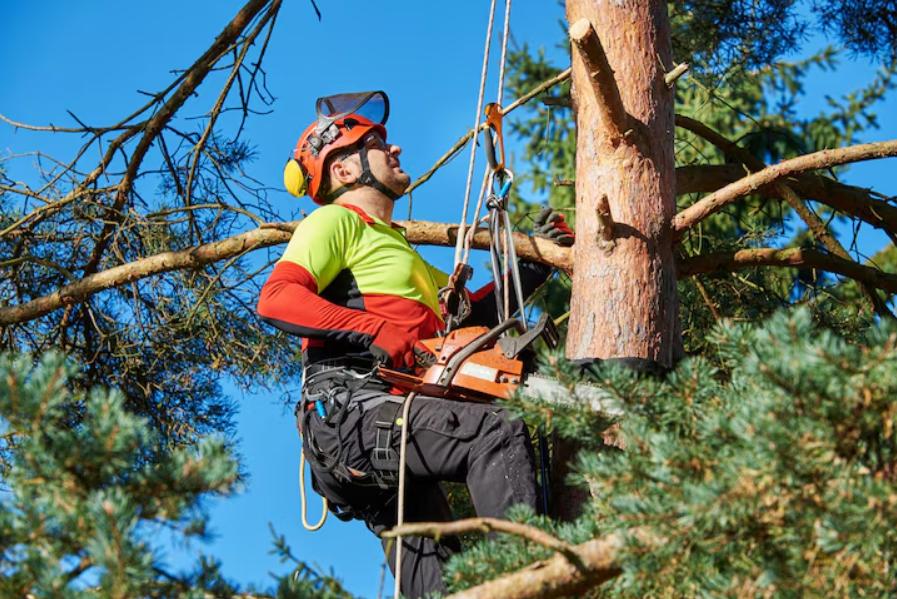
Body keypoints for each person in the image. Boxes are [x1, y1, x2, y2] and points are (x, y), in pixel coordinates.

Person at [257, 91, 573, 598]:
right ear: (343, 171)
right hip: (350, 411)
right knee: (493, 432)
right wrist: (373, 330)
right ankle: (538, 585)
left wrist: (532, 266)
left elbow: (472, 320)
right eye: (378, 143)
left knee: (438, 585)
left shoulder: (402, 255)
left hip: (386, 428)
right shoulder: (338, 221)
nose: (396, 148)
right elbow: (276, 298)